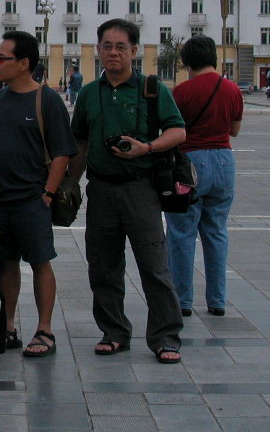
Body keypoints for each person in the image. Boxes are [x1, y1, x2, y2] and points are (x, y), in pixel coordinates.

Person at [67, 18, 186, 364]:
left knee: (154, 266)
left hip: (141, 188)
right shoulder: (89, 93)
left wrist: (146, 148)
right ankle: (114, 332)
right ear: (98, 49)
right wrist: (68, 185)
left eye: (121, 47)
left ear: (135, 51)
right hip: (101, 189)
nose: (113, 53)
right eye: (107, 46)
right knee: (103, 265)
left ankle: (165, 337)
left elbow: (178, 131)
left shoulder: (152, 88)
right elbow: (80, 142)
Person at [0, 31, 76, 357]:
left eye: (1, 58)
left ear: (23, 63)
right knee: (6, 263)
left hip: (32, 199)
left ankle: (44, 330)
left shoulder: (46, 100)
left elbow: (62, 154)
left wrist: (47, 194)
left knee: (39, 261)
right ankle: (7, 327)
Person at [165, 35, 243, 317]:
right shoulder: (232, 89)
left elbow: (173, 131)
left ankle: (182, 301)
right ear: (214, 57)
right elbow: (234, 131)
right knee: (217, 231)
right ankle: (217, 301)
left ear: (186, 61)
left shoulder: (182, 92)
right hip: (224, 161)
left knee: (182, 232)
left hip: (190, 163)